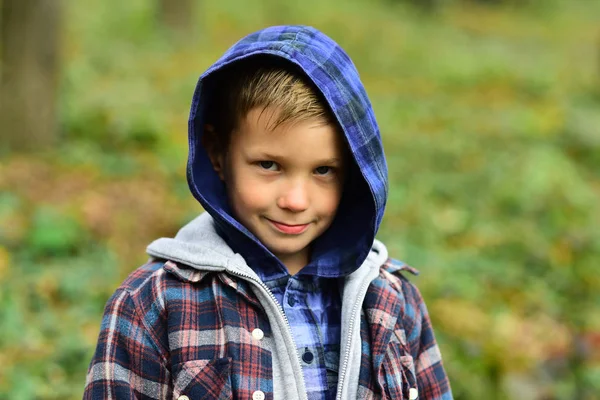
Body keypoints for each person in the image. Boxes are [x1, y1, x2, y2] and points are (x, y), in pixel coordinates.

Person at [84, 25, 452, 400]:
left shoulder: (393, 301)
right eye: (269, 165)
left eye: (323, 170)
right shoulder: (151, 305)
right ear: (217, 153)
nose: (295, 200)